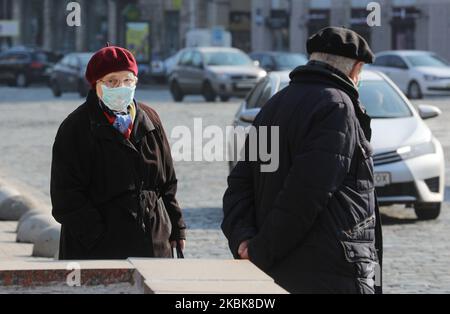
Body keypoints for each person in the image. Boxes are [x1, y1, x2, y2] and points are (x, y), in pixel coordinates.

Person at [222, 27, 383, 294]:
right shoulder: (338, 107)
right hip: (327, 271)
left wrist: (244, 239)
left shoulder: (274, 104)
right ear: (356, 69)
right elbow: (305, 195)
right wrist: (259, 250)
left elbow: (240, 184)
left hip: (281, 272)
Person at [51, 45, 186, 260]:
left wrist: (177, 227)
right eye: (112, 81)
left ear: (136, 82)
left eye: (127, 80)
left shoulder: (150, 118)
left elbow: (167, 181)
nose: (121, 87)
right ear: (96, 84)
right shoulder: (75, 127)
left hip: (153, 242)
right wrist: (97, 236)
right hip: (98, 250)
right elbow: (65, 197)